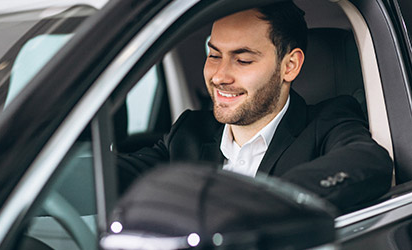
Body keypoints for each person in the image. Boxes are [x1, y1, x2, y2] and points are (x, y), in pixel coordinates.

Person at [118, 2, 393, 211]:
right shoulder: (189, 132)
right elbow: (116, 175)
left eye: (243, 60)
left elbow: (368, 161)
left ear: (289, 66)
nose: (219, 76)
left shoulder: (326, 123)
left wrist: (266, 198)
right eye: (214, 55)